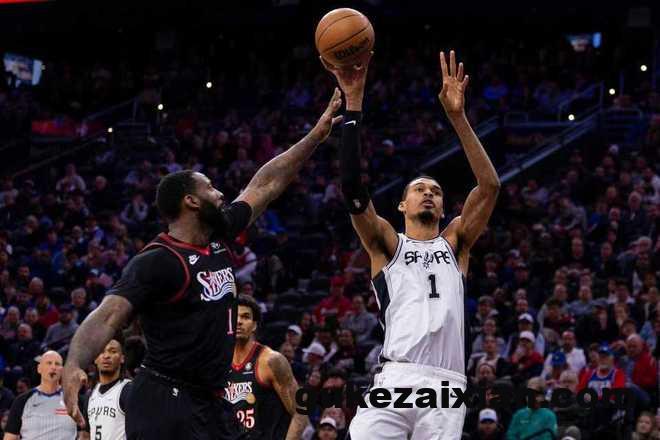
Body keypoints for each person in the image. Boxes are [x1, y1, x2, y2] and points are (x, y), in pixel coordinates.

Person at [62, 89, 344, 440]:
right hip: (164, 399)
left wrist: (315, 136)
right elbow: (108, 315)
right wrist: (74, 363)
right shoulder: (159, 260)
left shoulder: (218, 232)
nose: (221, 194)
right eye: (210, 188)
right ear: (191, 202)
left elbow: (266, 184)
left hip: (210, 398)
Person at [325, 50, 500, 439]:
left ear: (443, 207)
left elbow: (490, 187)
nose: (429, 194)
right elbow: (352, 189)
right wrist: (354, 103)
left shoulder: (456, 241)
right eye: (420, 189)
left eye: (436, 191)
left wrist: (458, 118)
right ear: (402, 205)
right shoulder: (388, 245)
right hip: (396, 375)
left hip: (446, 383)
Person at [223, 295, 308, 439]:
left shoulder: (271, 361)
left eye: (245, 317)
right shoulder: (218, 363)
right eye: (235, 316)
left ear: (254, 325)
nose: (239, 321)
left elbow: (300, 413)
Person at [4, 351, 77, 440]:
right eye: (49, 363)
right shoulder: (22, 401)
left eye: (57, 364)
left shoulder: (74, 399)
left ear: (62, 370)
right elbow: (10, 437)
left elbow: (84, 434)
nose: (53, 367)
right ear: (39, 369)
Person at [81, 339, 132, 440]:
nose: (106, 356)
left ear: (122, 359)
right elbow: (86, 434)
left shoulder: (128, 390)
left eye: (113, 351)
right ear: (95, 359)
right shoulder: (90, 395)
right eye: (101, 352)